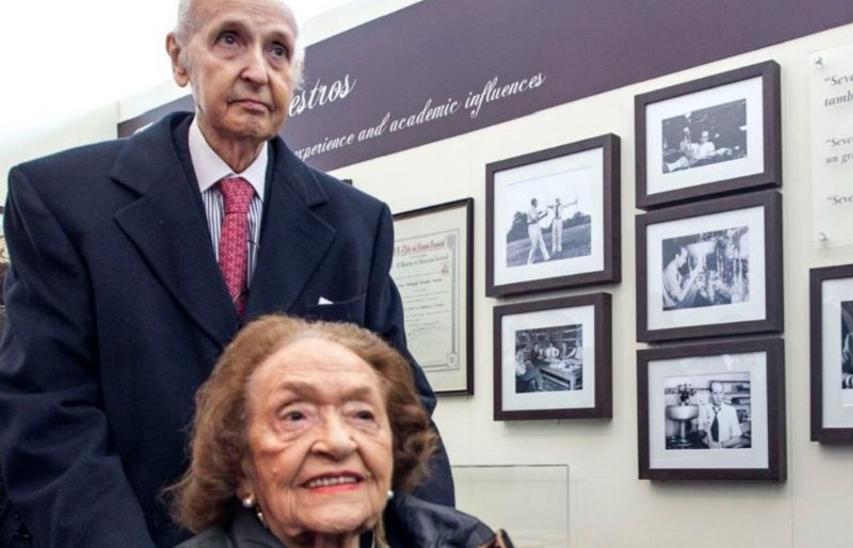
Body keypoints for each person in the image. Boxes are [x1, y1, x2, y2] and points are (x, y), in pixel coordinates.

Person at [0, 1, 453, 546]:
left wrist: (430, 536)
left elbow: (403, 411)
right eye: (230, 40)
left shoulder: (356, 223)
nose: (257, 71)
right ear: (180, 58)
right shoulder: (65, 201)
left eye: (278, 50)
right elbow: (49, 416)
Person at [170, 316, 506, 548]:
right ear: (240, 466)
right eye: (296, 416)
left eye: (361, 415)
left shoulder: (464, 540)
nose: (337, 441)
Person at [694, 382, 746, 449]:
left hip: (723, 448)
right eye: (715, 393)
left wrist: (720, 445)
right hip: (707, 448)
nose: (718, 397)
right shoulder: (704, 409)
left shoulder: (731, 411)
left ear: (723, 393)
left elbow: (737, 438)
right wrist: (702, 432)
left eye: (720, 393)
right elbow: (700, 433)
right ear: (710, 394)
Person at [662, 243, 704, 309]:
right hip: (673, 307)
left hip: (676, 303)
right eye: (684, 258)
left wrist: (694, 272)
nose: (685, 261)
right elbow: (680, 298)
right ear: (677, 256)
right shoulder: (669, 272)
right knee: (694, 288)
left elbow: (681, 280)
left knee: (694, 287)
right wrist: (691, 278)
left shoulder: (673, 267)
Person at [523, 198, 551, 264]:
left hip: (536, 226)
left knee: (541, 242)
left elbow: (537, 218)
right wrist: (544, 214)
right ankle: (529, 262)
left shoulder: (534, 209)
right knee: (534, 246)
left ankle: (547, 257)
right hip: (532, 227)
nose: (537, 204)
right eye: (536, 203)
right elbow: (534, 219)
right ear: (534, 203)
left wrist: (544, 214)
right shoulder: (531, 209)